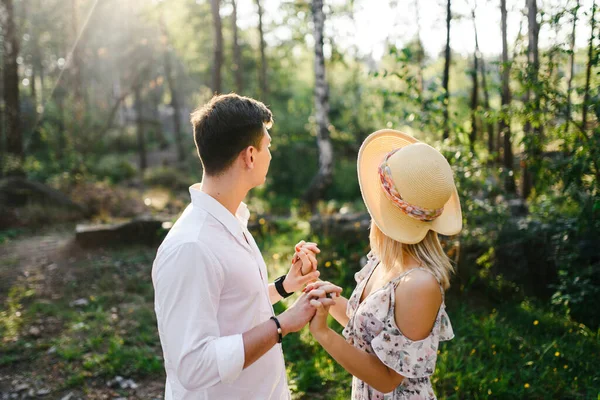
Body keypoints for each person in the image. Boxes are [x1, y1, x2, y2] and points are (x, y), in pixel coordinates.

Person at [151, 94, 340, 400]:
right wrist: (283, 324)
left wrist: (285, 286)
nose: (271, 154)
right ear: (250, 156)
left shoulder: (231, 219)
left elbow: (231, 308)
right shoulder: (191, 247)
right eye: (269, 146)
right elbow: (192, 366)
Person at [306, 129, 462, 399]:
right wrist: (320, 292)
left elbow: (387, 378)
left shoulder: (420, 283)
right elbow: (368, 333)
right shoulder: (383, 260)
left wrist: (323, 333)